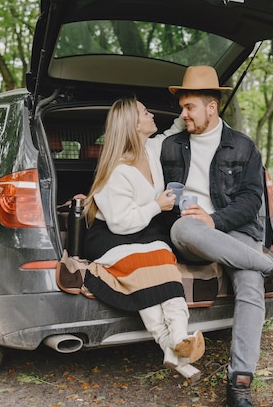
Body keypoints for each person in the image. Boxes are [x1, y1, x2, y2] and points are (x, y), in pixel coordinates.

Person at [160, 66, 273, 407]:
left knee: (249, 283)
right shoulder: (171, 146)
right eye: (182, 107)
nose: (183, 114)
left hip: (233, 229)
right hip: (192, 235)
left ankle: (240, 384)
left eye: (189, 107)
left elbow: (251, 201)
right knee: (183, 226)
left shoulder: (243, 146)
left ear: (211, 107)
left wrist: (215, 218)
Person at [80, 96, 205, 371]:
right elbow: (121, 223)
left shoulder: (151, 148)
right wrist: (156, 205)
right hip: (112, 235)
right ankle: (170, 346)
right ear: (133, 125)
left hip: (144, 229)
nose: (151, 115)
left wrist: (192, 102)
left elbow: (175, 129)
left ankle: (180, 338)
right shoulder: (116, 170)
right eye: (145, 112)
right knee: (144, 272)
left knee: (164, 265)